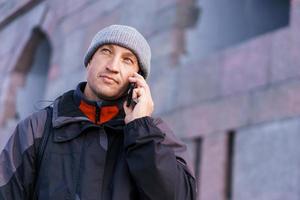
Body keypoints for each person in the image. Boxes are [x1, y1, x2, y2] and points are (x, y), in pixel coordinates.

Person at [0, 24, 196, 200]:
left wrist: (141, 131)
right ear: (89, 61)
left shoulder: (155, 134)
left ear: (137, 80)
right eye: (106, 51)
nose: (112, 66)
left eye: (127, 60)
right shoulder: (38, 128)